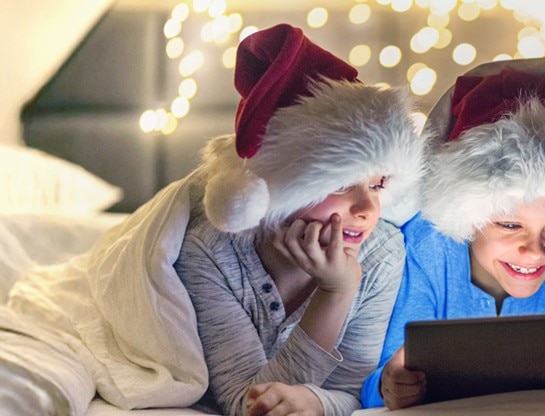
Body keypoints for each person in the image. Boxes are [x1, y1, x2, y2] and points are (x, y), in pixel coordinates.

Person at [2, 23, 427, 416]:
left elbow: (352, 388)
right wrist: (336, 293)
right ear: (283, 182)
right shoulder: (212, 249)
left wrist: (316, 402)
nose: (367, 209)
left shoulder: (382, 250)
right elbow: (248, 401)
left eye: (377, 184)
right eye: (339, 184)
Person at [360, 67, 545, 410]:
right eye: (508, 225)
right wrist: (390, 384)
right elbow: (377, 375)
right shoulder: (426, 250)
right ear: (469, 219)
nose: (534, 250)